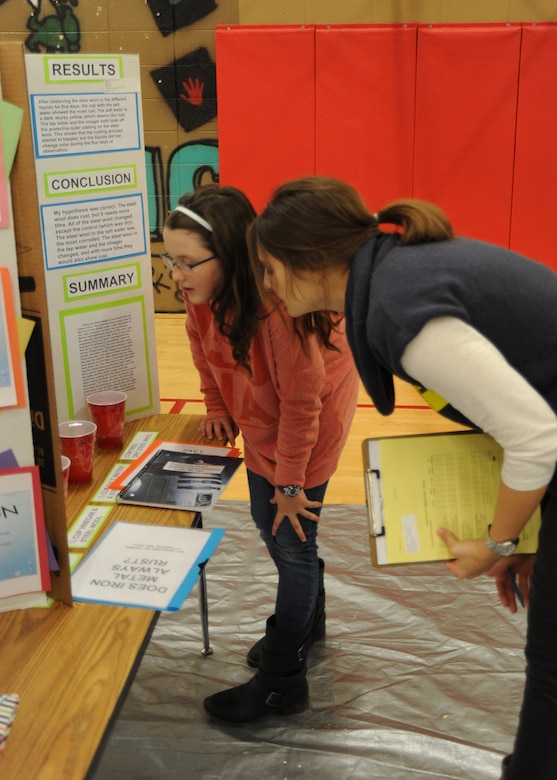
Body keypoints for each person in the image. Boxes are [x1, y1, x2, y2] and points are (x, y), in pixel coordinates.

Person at [248, 175, 557, 780]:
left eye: (269, 268)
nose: (267, 286)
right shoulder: (392, 276)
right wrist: (530, 542)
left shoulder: (397, 305)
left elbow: (536, 437)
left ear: (309, 262)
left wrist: (496, 541)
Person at [162, 184, 359, 725]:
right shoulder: (201, 297)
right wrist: (217, 403)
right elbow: (203, 351)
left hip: (308, 430)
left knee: (291, 540)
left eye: (186, 262)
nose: (175, 274)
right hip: (265, 421)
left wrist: (291, 484)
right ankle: (307, 623)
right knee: (266, 520)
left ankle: (282, 682)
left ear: (228, 257)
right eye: (169, 259)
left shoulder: (277, 312)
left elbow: (303, 403)